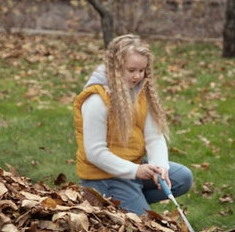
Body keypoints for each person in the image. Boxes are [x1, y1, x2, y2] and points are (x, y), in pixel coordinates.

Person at [73, 34, 193, 216]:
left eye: (142, 70)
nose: (137, 76)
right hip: (103, 176)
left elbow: (154, 136)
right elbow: (95, 153)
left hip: (133, 167)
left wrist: (159, 168)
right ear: (115, 68)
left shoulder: (140, 92)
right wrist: (135, 171)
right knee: (144, 227)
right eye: (131, 70)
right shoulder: (97, 99)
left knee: (183, 178)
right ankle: (113, 200)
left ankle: (130, 198)